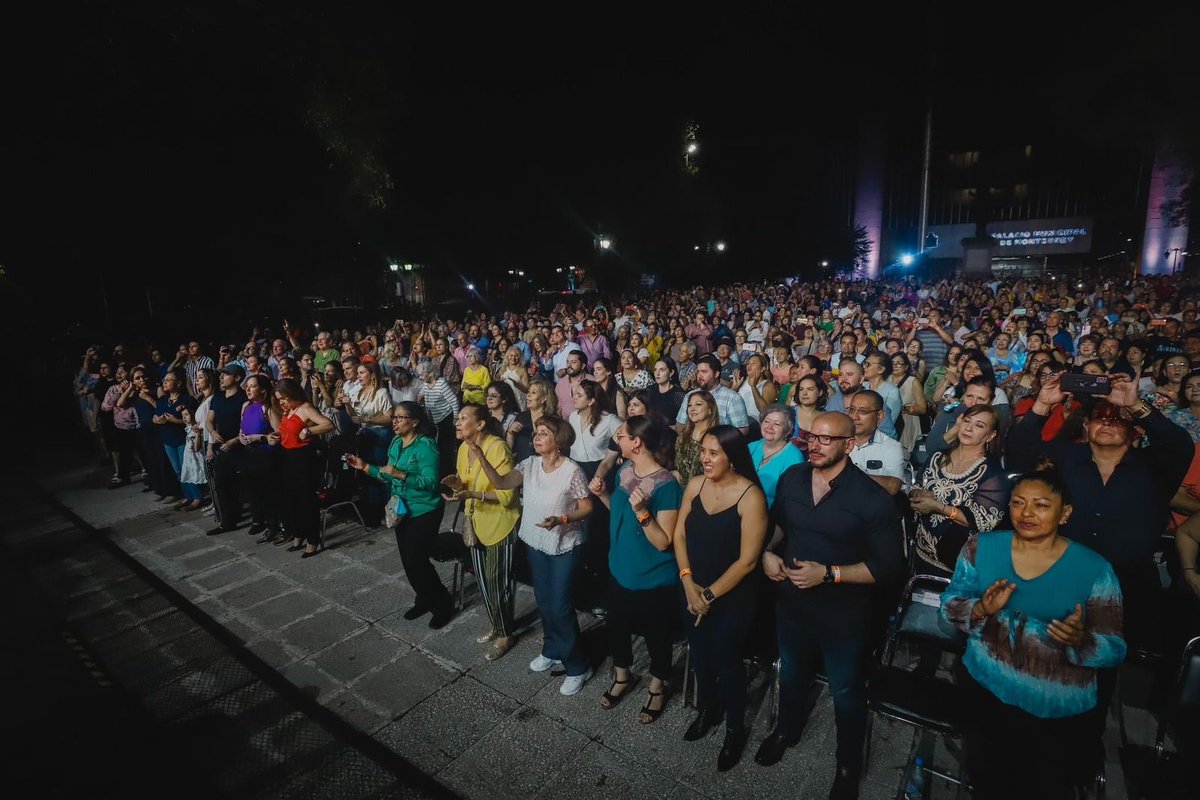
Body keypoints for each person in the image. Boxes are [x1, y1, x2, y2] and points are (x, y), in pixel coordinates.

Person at [940, 463, 1127, 799]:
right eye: (1017, 502)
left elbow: (1114, 648)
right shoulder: (981, 547)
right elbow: (949, 606)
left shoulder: (1095, 570)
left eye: (1041, 505)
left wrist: (1081, 640)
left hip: (1055, 712)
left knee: (1042, 787)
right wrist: (980, 608)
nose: (1026, 513)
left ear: (1065, 513)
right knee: (988, 781)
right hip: (988, 692)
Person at [756, 412, 903, 800]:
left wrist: (830, 574)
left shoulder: (870, 499)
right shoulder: (793, 478)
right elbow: (780, 524)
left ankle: (846, 766)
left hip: (843, 612)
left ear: (848, 445)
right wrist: (767, 551)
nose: (814, 446)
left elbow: (888, 567)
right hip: (791, 601)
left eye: (825, 439)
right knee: (791, 671)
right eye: (810, 437)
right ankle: (786, 730)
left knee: (845, 689)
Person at [1007, 373, 1192, 657]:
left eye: (1117, 419)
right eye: (1099, 417)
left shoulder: (1154, 468)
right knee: (1050, 659)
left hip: (1127, 587)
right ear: (1086, 426)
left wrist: (1136, 406)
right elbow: (1019, 453)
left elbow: (1180, 445)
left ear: (1135, 432)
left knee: (1106, 664)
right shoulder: (1068, 457)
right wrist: (1042, 405)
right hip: (1063, 579)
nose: (1107, 422)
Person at [469, 414, 596, 695]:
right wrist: (479, 455)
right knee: (543, 600)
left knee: (560, 605)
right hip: (536, 542)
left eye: (543, 433)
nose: (536, 437)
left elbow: (587, 508)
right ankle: (552, 648)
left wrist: (562, 519)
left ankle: (578, 665)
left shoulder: (572, 471)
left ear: (558, 440)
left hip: (564, 546)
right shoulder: (529, 465)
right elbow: (502, 483)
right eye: (536, 433)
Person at [674, 425, 769, 772]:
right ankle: (706, 710)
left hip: (732, 597)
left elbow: (747, 561)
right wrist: (687, 583)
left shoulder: (750, 497)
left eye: (714, 453)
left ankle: (734, 728)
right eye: (703, 451)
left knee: (728, 664)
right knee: (699, 655)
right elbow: (679, 535)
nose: (705, 458)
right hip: (690, 589)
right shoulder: (696, 484)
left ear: (732, 457)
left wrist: (709, 595)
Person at [593, 417, 683, 724]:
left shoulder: (667, 485)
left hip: (653, 577)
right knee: (615, 627)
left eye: (621, 436)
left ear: (636, 443)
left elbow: (662, 541)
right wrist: (603, 495)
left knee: (657, 635)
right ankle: (623, 676)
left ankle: (658, 686)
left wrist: (644, 511)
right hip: (620, 567)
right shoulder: (624, 470)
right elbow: (619, 514)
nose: (617, 441)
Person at [349, 401, 453, 624]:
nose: (394, 421)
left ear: (415, 421)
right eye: (394, 417)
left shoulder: (425, 446)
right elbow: (388, 473)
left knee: (418, 560)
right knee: (408, 560)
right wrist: (365, 467)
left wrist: (402, 475)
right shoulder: (395, 442)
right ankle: (424, 598)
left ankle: (442, 603)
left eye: (400, 417)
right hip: (400, 508)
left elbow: (432, 483)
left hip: (424, 510)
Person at [441, 404, 521, 660]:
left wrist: (471, 493)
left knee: (499, 583)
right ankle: (498, 624)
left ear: (481, 424)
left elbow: (507, 496)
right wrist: (457, 484)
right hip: (475, 523)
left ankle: (506, 634)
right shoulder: (465, 447)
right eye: (458, 417)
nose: (458, 421)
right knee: (484, 581)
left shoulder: (497, 447)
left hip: (500, 524)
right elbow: (465, 481)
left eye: (464, 418)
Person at [911, 405, 1009, 575]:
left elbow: (983, 522)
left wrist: (938, 507)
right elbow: (915, 487)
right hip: (921, 554)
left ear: (991, 435)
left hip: (958, 563)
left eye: (979, 425)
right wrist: (917, 494)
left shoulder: (993, 474)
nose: (969, 428)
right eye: (967, 421)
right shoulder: (937, 457)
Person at [272, 378, 335, 556]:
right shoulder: (289, 410)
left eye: (284, 398)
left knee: (306, 500)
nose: (282, 402)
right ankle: (298, 534)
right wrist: (275, 435)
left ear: (292, 393)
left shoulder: (306, 408)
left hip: (303, 459)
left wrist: (309, 431)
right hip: (287, 457)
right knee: (292, 499)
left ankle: (313, 539)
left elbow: (328, 424)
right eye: (279, 399)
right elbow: (289, 431)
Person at [237, 374, 283, 542]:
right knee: (257, 493)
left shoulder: (268, 407)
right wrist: (241, 437)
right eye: (247, 386)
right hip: (250, 454)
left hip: (267, 456)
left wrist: (260, 437)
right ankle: (268, 526)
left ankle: (278, 527)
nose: (247, 389)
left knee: (270, 493)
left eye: (252, 386)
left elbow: (279, 433)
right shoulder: (247, 406)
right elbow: (242, 430)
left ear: (263, 389)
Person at [846, 390, 906, 496]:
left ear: (879, 416)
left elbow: (893, 486)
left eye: (863, 411)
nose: (855, 417)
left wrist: (849, 477)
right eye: (852, 410)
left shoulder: (892, 447)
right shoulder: (836, 441)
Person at [676, 355, 749, 435]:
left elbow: (742, 431)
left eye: (704, 372)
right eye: (698, 372)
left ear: (716, 374)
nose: (699, 376)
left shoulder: (732, 398)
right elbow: (680, 425)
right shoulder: (690, 395)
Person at [748, 404, 805, 506]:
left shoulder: (794, 458)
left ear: (787, 429)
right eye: (766, 421)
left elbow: (790, 500)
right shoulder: (751, 447)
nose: (769, 427)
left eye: (777, 424)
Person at [416, 359, 460, 479]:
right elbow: (422, 392)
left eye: (421, 374)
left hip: (445, 418)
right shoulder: (426, 383)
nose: (420, 377)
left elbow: (454, 401)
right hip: (433, 420)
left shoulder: (441, 383)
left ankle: (448, 476)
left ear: (429, 372)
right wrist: (420, 397)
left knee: (445, 450)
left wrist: (455, 417)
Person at [675, 390, 719, 485]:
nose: (692, 408)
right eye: (690, 405)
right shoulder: (683, 437)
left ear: (710, 410)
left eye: (698, 404)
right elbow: (678, 470)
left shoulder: (716, 438)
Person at [508, 379, 557, 464]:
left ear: (543, 398)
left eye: (533, 393)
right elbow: (509, 448)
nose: (528, 396)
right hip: (523, 467)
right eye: (528, 392)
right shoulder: (521, 417)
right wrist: (510, 433)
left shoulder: (553, 421)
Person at [889, 352, 927, 459]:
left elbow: (923, 408)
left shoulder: (913, 381)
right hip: (890, 421)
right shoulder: (886, 379)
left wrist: (903, 408)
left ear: (906, 366)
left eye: (899, 363)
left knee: (903, 456)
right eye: (892, 363)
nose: (895, 366)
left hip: (907, 422)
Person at [648, 357, 686, 422]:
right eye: (655, 370)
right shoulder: (649, 390)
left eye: (662, 370)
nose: (657, 374)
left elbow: (683, 422)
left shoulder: (678, 394)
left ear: (671, 373)